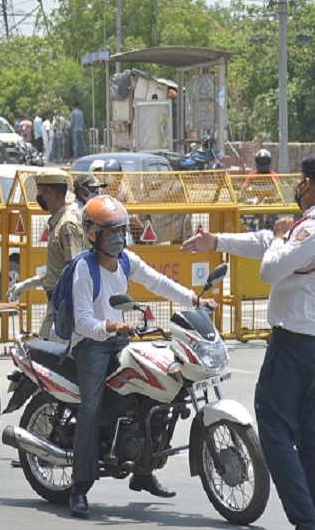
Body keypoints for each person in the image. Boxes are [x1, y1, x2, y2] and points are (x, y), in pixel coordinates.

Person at [180, 154, 315, 530]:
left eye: (302, 180)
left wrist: (275, 237)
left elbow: (271, 265)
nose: (298, 186)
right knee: (311, 437)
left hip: (295, 348)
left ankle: (309, 522)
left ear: (311, 184)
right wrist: (216, 240)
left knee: (272, 431)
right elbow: (268, 244)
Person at [68, 195, 216, 519]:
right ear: (93, 235)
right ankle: (79, 487)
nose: (119, 237)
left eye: (121, 230)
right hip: (91, 345)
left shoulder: (125, 260)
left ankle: (143, 471)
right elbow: (82, 321)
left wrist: (194, 300)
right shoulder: (84, 267)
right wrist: (111, 325)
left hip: (121, 338)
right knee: (91, 409)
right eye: (111, 232)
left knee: (157, 389)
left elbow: (158, 282)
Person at [7, 169, 83, 339]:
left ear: (49, 192)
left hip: (64, 306)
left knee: (50, 356)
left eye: (39, 192)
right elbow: (58, 271)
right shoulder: (57, 223)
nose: (38, 196)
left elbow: (75, 270)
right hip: (56, 304)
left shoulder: (66, 225)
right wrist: (29, 283)